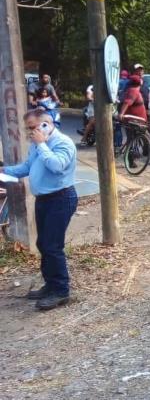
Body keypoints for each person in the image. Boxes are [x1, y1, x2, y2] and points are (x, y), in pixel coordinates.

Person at [2, 110, 77, 310]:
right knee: (43, 244)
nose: (31, 132)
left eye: (34, 127)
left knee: (52, 246)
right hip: (44, 199)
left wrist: (42, 144)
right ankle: (51, 285)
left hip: (61, 198)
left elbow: (57, 166)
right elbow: (27, 167)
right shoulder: (37, 145)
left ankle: (61, 291)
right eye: (29, 128)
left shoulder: (63, 143)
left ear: (46, 124)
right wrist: (4, 171)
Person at [132, 64, 150, 163]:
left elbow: (147, 94)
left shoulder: (144, 82)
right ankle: (131, 160)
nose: (140, 72)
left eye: (141, 70)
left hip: (145, 110)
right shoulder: (132, 82)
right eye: (138, 70)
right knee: (133, 136)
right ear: (134, 72)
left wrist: (148, 107)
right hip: (135, 112)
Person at [114, 70, 130, 150]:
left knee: (118, 125)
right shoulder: (129, 82)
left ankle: (118, 143)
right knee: (128, 126)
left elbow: (115, 93)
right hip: (128, 106)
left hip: (120, 104)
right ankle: (129, 144)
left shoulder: (118, 82)